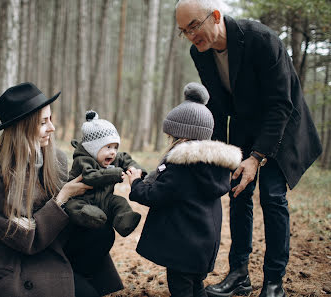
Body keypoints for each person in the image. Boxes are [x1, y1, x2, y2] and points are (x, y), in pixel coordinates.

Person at [175, 1, 322, 297]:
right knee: (238, 193)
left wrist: (257, 157)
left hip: (280, 125)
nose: (191, 36)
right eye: (183, 31)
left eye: (193, 26)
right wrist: (210, 149)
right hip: (243, 125)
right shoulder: (199, 53)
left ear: (215, 16)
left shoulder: (261, 39)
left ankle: (274, 281)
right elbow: (215, 105)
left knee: (272, 196)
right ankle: (239, 275)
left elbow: (281, 103)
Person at [0, 82, 123, 297]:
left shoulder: (56, 159)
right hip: (18, 262)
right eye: (43, 122)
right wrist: (63, 196)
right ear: (22, 127)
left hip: (51, 248)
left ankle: (77, 276)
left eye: (50, 119)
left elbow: (71, 215)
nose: (52, 127)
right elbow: (24, 240)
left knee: (100, 229)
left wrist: (99, 187)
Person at [126, 82, 242, 297]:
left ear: (184, 137)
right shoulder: (212, 166)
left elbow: (155, 195)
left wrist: (135, 183)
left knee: (180, 288)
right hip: (203, 247)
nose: (170, 142)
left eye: (172, 137)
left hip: (183, 248)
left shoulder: (183, 166)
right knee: (197, 286)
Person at [64, 110, 144, 237]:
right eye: (108, 147)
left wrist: (134, 168)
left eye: (115, 147)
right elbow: (90, 176)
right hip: (82, 199)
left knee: (119, 202)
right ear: (93, 148)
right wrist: (114, 174)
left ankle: (124, 222)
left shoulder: (113, 157)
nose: (113, 152)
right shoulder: (83, 160)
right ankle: (89, 217)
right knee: (73, 207)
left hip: (105, 199)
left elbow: (125, 158)